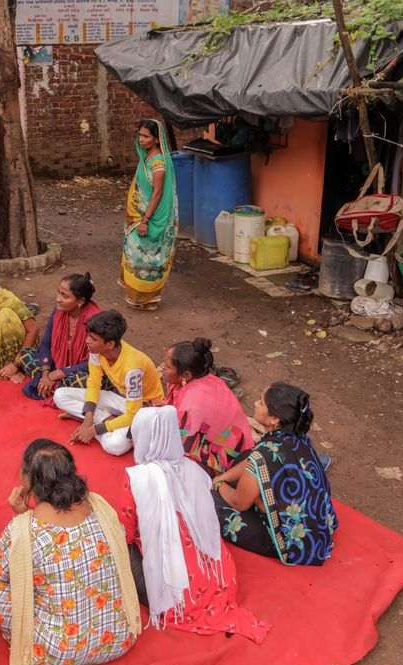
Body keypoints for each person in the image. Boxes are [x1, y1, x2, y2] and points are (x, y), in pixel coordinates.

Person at [0, 439, 141, 665]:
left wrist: (21, 518)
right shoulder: (101, 508)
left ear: (28, 479)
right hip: (120, 638)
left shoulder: (25, 530)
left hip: (54, 652)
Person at [112, 407, 269, 641]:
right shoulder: (196, 470)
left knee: (115, 546)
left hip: (173, 592)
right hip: (216, 576)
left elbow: (124, 532)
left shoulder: (136, 478)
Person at [212, 383, 339, 566]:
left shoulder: (263, 457)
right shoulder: (298, 437)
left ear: (274, 419)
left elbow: (239, 503)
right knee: (247, 457)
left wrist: (218, 483)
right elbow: (251, 461)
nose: (255, 404)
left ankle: (265, 523)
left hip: (294, 545)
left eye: (261, 403)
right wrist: (225, 477)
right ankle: (260, 501)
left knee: (210, 501)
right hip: (319, 527)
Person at [54, 310, 164, 455]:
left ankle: (103, 422)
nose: (87, 341)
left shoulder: (133, 368)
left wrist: (93, 430)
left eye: (93, 338)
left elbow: (133, 413)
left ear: (110, 344)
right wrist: (88, 419)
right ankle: (104, 419)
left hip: (143, 410)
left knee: (115, 447)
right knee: (60, 395)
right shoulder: (96, 350)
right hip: (120, 399)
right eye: (88, 336)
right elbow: (94, 383)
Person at [161, 337, 254, 475]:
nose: (162, 367)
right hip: (234, 444)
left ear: (186, 375)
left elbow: (181, 444)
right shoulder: (209, 379)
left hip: (227, 459)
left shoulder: (193, 405)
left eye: (167, 366)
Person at [10, 273, 101, 400]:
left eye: (64, 296)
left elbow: (96, 361)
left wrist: (57, 374)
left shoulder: (95, 320)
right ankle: (54, 386)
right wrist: (46, 372)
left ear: (80, 301)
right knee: (25, 354)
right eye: (58, 293)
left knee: (82, 381)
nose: (58, 299)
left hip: (84, 369)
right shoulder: (59, 311)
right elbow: (46, 343)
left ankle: (54, 387)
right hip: (57, 364)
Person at [121, 119, 178, 310]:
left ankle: (148, 299)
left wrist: (145, 220)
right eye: (140, 135)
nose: (141, 139)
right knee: (136, 256)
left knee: (147, 259)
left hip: (151, 218)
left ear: (156, 139)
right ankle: (138, 297)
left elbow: (157, 193)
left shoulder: (158, 163)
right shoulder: (145, 157)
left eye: (146, 136)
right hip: (138, 217)